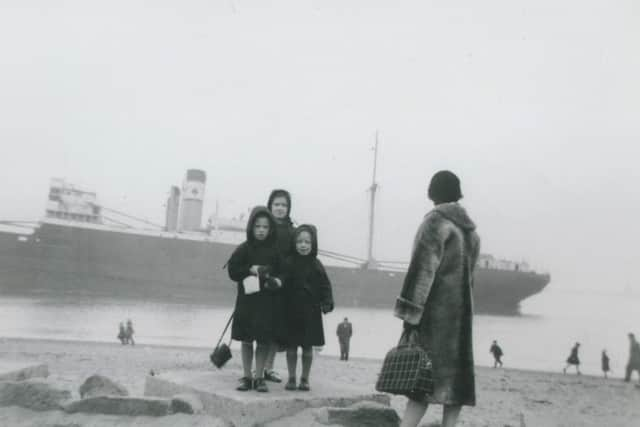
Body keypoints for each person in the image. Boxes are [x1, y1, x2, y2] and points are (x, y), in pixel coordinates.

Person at [393, 170, 480, 427]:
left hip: (434, 317)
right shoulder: (471, 233)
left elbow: (422, 271)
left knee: (421, 383)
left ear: (432, 192)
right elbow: (470, 280)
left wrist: (409, 315)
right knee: (455, 386)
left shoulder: (435, 223)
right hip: (460, 320)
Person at [227, 206, 286, 392]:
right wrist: (249, 270)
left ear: (271, 230)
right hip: (247, 303)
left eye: (265, 227)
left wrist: (277, 280)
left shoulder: (275, 251)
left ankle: (260, 377)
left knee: (262, 341)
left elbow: (284, 273)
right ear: (251, 227)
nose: (261, 230)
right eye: (257, 226)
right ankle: (247, 376)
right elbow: (232, 271)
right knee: (246, 340)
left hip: (267, 304)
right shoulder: (243, 249)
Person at [282, 224, 334, 391]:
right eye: (299, 242)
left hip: (311, 312)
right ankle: (291, 377)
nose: (303, 245)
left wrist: (327, 302)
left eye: (307, 242)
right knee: (291, 347)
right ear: (294, 243)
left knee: (307, 347)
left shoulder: (316, 264)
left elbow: (325, 285)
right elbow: (282, 283)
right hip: (290, 311)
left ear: (313, 245)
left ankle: (304, 378)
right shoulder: (288, 263)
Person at [262, 189, 296, 384]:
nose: (280, 208)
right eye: (276, 204)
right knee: (261, 327)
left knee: (276, 329)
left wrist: (282, 279)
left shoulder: (292, 231)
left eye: (284, 205)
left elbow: (292, 259)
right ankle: (257, 368)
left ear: (288, 208)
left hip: (282, 286)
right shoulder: (263, 226)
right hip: (262, 282)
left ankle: (269, 367)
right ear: (270, 205)